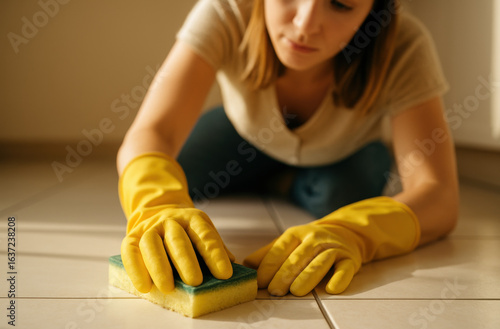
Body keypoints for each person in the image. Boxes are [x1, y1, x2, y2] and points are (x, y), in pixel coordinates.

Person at [116, 0, 459, 297]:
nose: (305, 25)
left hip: (343, 155)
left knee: (342, 197)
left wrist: (353, 232)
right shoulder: (227, 9)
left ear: (375, 10)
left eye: (341, 4)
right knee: (183, 171)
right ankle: (276, 179)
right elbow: (152, 131)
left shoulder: (405, 43)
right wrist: (156, 204)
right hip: (243, 137)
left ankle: (277, 180)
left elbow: (439, 194)